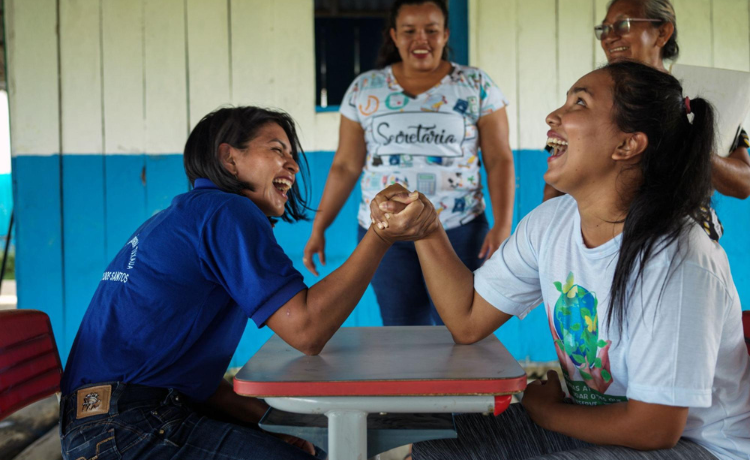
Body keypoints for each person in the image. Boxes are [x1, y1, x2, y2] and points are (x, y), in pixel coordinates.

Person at [373, 61, 750, 459]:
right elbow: (467, 318)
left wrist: (547, 412)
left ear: (626, 145)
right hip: (608, 424)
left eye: (580, 103)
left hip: (704, 448)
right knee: (441, 449)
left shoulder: (679, 260)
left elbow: (655, 428)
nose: (554, 116)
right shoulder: (551, 224)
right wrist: (428, 230)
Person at [58, 107, 438, 460]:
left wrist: (284, 425)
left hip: (101, 425)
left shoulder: (186, 213)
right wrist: (382, 235)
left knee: (318, 446)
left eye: (291, 154)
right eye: (277, 149)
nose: (291, 164)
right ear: (230, 159)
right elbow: (307, 329)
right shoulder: (227, 210)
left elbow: (201, 387)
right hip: (128, 429)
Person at [303, 0, 515, 326]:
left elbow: (499, 159)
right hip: (385, 232)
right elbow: (345, 166)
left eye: (431, 30)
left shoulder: (476, 86)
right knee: (401, 329)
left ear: (445, 34)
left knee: (461, 327)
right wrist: (319, 227)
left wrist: (502, 226)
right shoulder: (365, 89)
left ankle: (457, 382)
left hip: (460, 229)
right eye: (409, 31)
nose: (421, 39)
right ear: (394, 36)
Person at [543, 0, 750, 222]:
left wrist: (690, 143)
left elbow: (744, 184)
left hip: (678, 233)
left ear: (662, 32)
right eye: (604, 28)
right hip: (604, 237)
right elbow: (557, 179)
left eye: (624, 25)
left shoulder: (697, 98)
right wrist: (548, 231)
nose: (609, 37)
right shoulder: (596, 99)